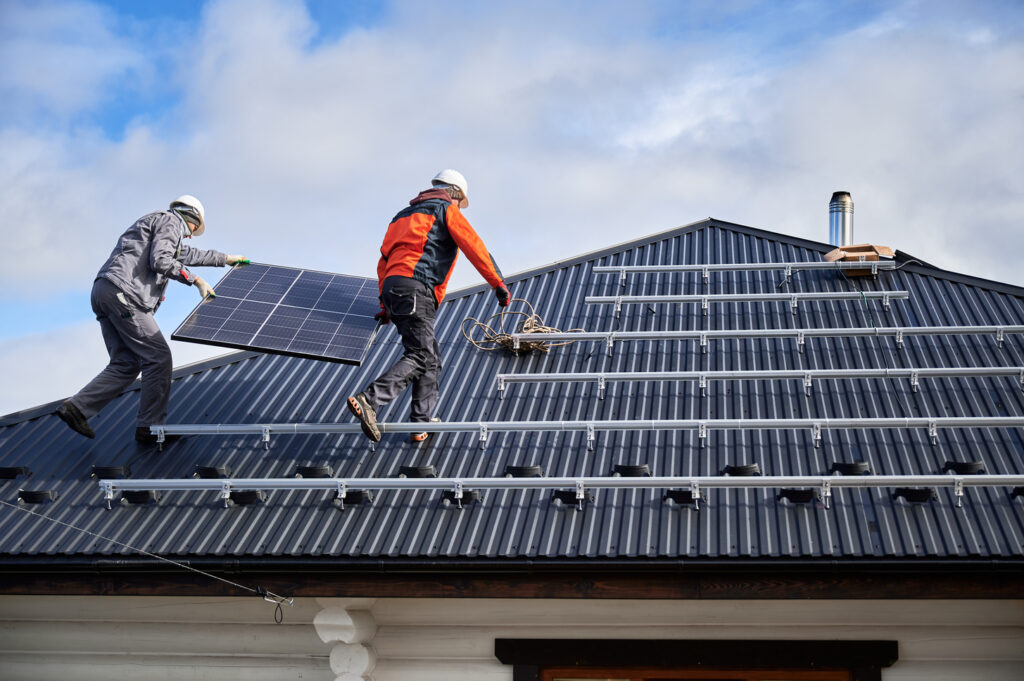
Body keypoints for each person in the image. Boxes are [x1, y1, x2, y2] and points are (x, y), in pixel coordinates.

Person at [56, 195, 248, 444]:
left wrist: (225, 259)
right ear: (189, 216)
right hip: (125, 294)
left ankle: (77, 409)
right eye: (193, 228)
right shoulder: (171, 221)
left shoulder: (158, 225)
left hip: (106, 291)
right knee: (158, 357)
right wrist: (196, 281)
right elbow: (162, 260)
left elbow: (187, 254)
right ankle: (151, 428)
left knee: (126, 363)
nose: (190, 234)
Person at [348, 170, 509, 443]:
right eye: (460, 201)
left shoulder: (401, 216)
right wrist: (498, 283)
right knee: (421, 355)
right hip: (416, 287)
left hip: (393, 287)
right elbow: (474, 245)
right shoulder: (446, 209)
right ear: (455, 194)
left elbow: (384, 260)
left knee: (430, 356)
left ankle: (420, 423)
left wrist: (384, 302)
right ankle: (370, 400)